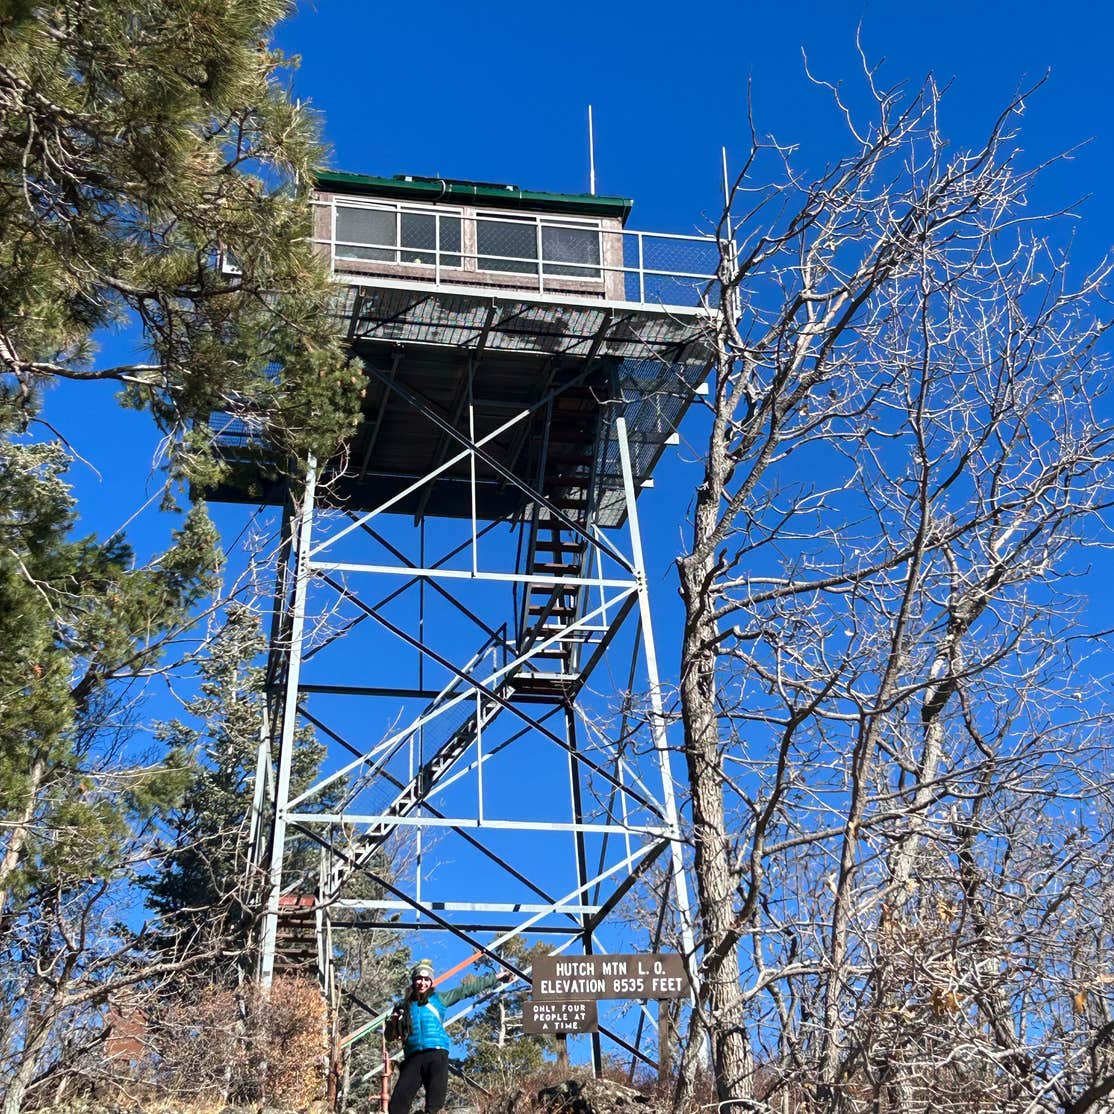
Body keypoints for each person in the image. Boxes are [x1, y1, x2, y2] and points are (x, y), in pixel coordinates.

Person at [386, 958, 507, 1114]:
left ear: (431, 982)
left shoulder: (439, 999)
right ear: (413, 981)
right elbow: (389, 1036)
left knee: (434, 1105)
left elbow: (468, 989)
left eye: (426, 979)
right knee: (397, 1105)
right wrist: (393, 1021)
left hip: (437, 1053)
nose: (422, 983)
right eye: (419, 979)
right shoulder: (403, 1006)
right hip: (413, 1056)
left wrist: (496, 977)